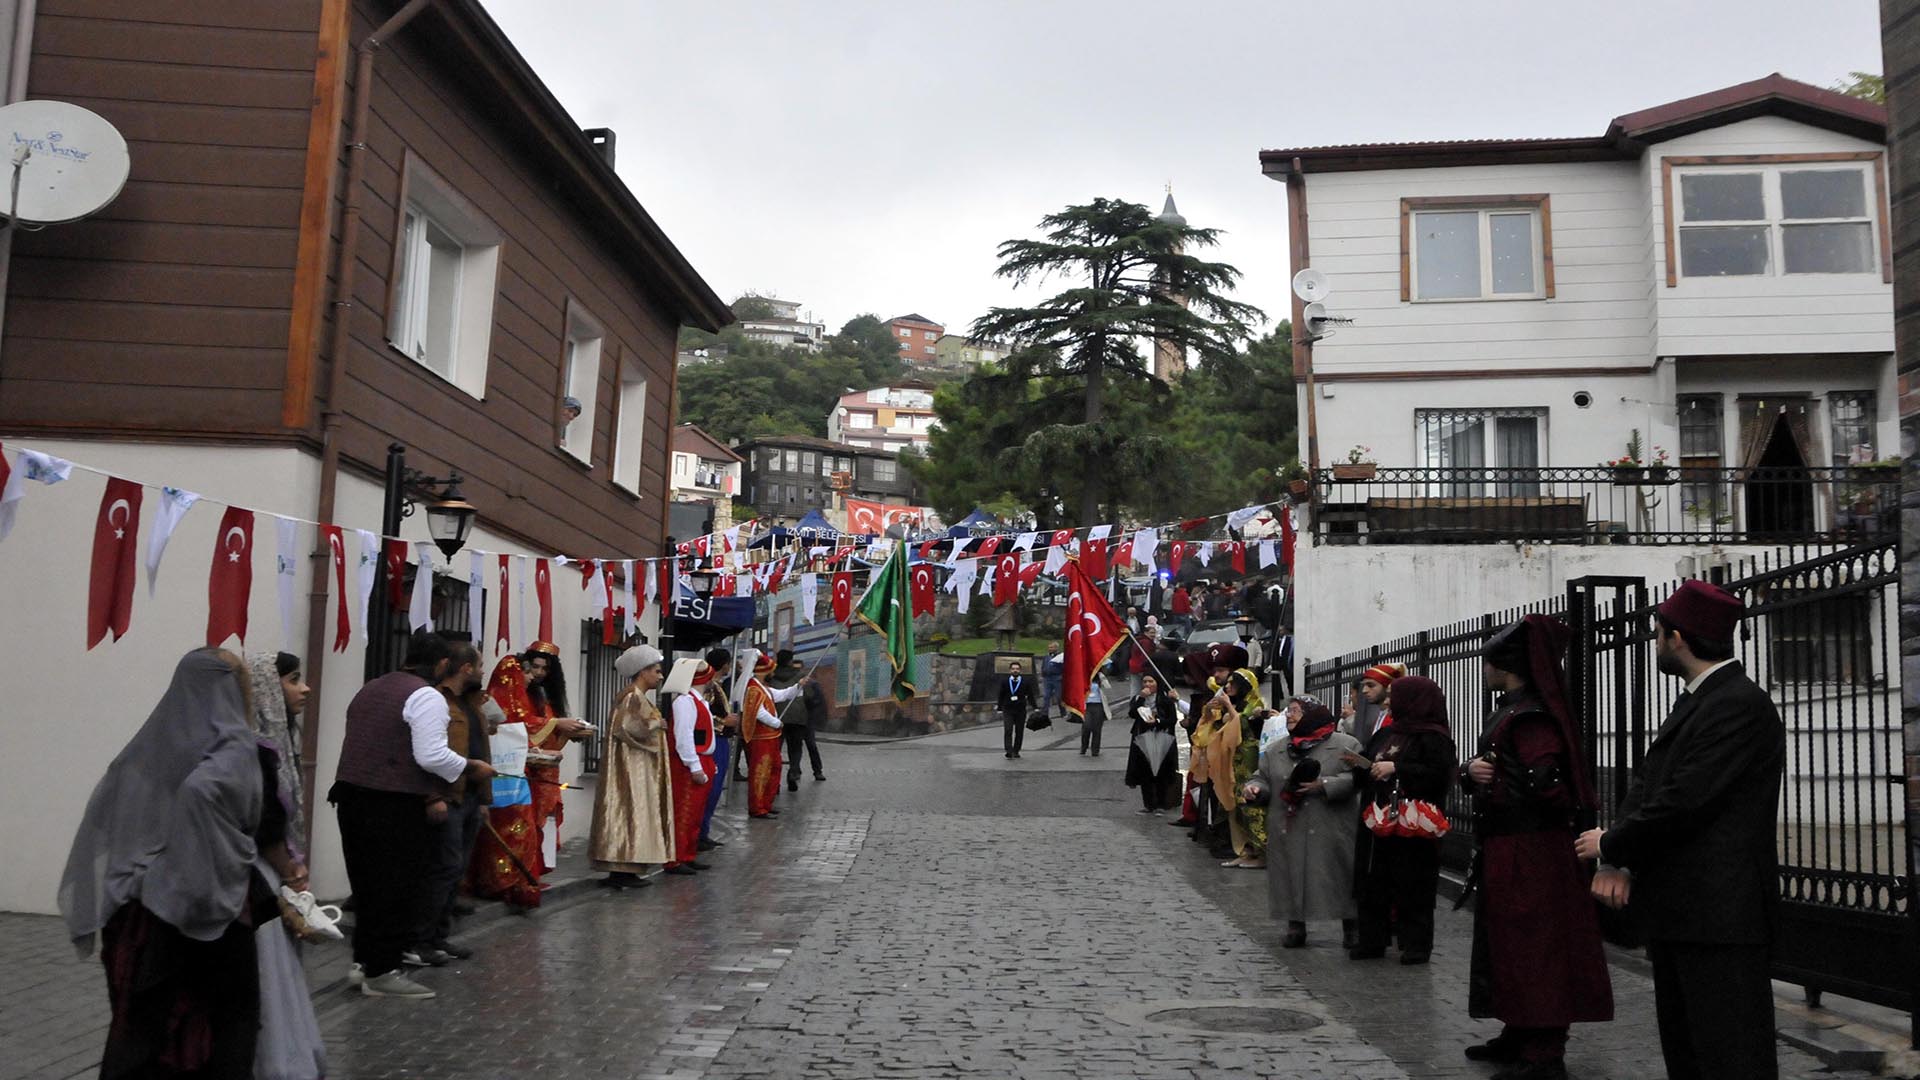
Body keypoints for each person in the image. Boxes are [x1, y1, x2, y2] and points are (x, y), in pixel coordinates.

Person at [62, 649, 328, 1077]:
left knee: (151, 1023)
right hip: (210, 909)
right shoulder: (235, 752)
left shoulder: (152, 749)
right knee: (220, 1019)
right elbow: (236, 815)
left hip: (145, 910)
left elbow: (118, 821)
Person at [1574, 580, 1783, 1080]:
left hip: (1720, 918)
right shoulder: (1698, 700)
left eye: (1658, 633)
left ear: (1678, 638)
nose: (1655, 642)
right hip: (1681, 912)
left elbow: (1685, 802)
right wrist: (1617, 862)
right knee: (1688, 1052)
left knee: (1729, 1056)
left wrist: (1610, 842)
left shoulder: (1737, 704)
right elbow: (1647, 782)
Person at [1460, 616, 1613, 1080]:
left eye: (1490, 660)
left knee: (1537, 945)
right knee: (1507, 943)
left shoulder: (1530, 718)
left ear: (1507, 665)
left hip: (1534, 850)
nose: (1484, 667)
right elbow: (1492, 767)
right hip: (1510, 847)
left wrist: (1497, 782)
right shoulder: (1510, 710)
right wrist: (1470, 772)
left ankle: (1544, 1049)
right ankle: (1519, 1030)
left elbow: (1546, 788)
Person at [334, 630, 492, 998]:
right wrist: (472, 767)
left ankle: (364, 963)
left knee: (367, 886)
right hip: (394, 802)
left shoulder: (372, 686)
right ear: (441, 664)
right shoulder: (426, 695)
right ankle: (384, 970)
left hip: (352, 796)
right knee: (397, 888)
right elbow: (431, 755)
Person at [470, 642, 589, 909]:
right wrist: (556, 725)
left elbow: (536, 731)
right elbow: (515, 728)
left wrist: (562, 732)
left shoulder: (535, 698)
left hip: (529, 772)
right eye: (529, 670)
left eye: (541, 669)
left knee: (528, 829)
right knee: (511, 830)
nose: (533, 675)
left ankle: (521, 877)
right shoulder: (500, 701)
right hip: (508, 775)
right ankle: (505, 881)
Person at [1350, 673, 1455, 965]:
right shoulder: (1386, 732)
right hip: (1378, 819)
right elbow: (1372, 762)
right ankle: (1372, 938)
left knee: (1414, 884)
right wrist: (1360, 766)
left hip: (1413, 825)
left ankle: (1416, 944)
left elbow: (1438, 776)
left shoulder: (1434, 736)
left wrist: (1397, 768)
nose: (1390, 700)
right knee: (1374, 882)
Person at [1243, 700, 1361, 950]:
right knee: (1290, 874)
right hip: (1290, 824)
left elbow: (1360, 777)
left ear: (1312, 713)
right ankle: (1295, 925)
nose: (1289, 716)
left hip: (1331, 824)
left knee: (1340, 873)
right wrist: (1255, 789)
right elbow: (1261, 778)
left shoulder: (1345, 745)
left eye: (1295, 710)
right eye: (1288, 711)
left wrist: (1326, 784)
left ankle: (1352, 925)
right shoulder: (1276, 750)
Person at [416, 641, 489, 964]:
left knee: (456, 870)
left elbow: (480, 749)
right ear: (466, 668)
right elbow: (427, 755)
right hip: (449, 794)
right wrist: (432, 796)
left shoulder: (471, 703)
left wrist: (485, 799)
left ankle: (440, 936)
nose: (484, 671)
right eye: (480, 665)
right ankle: (422, 939)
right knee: (443, 868)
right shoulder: (437, 701)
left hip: (472, 795)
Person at [589, 643, 674, 889]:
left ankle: (629, 868)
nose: (659, 676)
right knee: (627, 813)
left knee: (633, 813)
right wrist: (657, 725)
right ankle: (622, 868)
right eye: (656, 671)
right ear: (642, 671)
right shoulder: (631, 698)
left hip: (639, 766)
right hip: (629, 768)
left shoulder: (637, 698)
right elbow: (627, 728)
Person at [666, 653, 724, 874]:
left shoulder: (697, 702)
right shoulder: (685, 702)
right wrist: (695, 766)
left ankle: (688, 854)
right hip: (690, 764)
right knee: (685, 811)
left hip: (702, 760)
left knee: (696, 813)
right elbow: (684, 737)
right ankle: (677, 858)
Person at [740, 650, 804, 818]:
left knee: (773, 770)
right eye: (771, 670)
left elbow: (781, 695)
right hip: (761, 738)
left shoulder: (764, 688)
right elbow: (758, 712)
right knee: (760, 773)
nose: (773, 673)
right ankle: (757, 807)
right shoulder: (754, 689)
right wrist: (776, 722)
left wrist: (798, 686)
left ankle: (766, 804)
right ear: (764, 671)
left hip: (771, 737)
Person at [1187, 674, 1243, 859]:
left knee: (1229, 800)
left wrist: (1227, 706)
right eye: (1227, 684)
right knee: (1215, 799)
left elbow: (1241, 728)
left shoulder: (1246, 705)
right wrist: (1208, 712)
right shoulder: (1223, 704)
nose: (1227, 687)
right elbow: (1205, 731)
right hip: (1215, 762)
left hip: (1234, 762)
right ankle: (1215, 835)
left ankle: (1231, 841)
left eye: (1231, 683)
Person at [699, 648, 740, 851]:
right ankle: (700, 832)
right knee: (712, 788)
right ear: (723, 664)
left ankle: (704, 831)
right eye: (728, 663)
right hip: (714, 739)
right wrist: (724, 721)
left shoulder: (716, 685)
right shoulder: (709, 687)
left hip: (721, 740)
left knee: (715, 790)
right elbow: (703, 716)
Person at [1123, 673, 1182, 813]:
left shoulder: (1166, 699)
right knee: (1145, 772)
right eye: (1145, 681)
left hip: (1162, 737)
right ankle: (1149, 804)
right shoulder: (1140, 698)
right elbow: (1132, 713)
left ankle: (1161, 804)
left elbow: (1172, 720)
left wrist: (1157, 721)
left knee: (1161, 771)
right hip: (1143, 737)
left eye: (1151, 681)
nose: (1147, 685)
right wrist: (1141, 698)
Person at [774, 649, 827, 790]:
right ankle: (793, 772)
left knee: (775, 750)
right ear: (790, 661)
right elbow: (809, 696)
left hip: (776, 717)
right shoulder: (801, 676)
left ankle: (775, 781)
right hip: (798, 717)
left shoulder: (771, 677)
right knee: (795, 748)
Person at [998, 659, 1038, 758]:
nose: (1015, 670)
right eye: (1013, 669)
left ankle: (1016, 750)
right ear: (1010, 670)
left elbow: (1030, 695)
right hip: (1008, 709)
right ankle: (1008, 750)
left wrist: (1035, 707)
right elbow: (1001, 695)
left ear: (1020, 670)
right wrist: (999, 708)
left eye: (1017, 669)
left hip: (1020, 709)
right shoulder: (1005, 681)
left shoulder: (1025, 682)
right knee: (1008, 729)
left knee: (1019, 731)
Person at [1040, 642, 1064, 719]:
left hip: (1057, 678)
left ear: (1056, 648)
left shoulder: (1061, 656)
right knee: (1046, 696)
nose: (1049, 649)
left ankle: (1063, 712)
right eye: (1049, 647)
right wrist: (1043, 672)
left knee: (1059, 697)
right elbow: (1043, 665)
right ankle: (1044, 713)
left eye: (1051, 647)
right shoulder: (1046, 656)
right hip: (1047, 679)